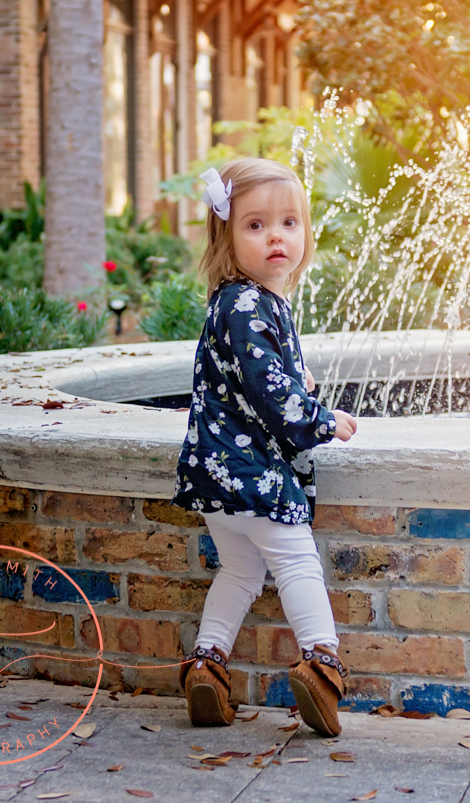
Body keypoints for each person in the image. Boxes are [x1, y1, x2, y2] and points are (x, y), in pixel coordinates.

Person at [172, 157, 359, 735]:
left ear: (305, 232)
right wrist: (325, 421)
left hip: (213, 474)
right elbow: (271, 393)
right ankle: (322, 667)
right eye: (255, 225)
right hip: (250, 473)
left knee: (239, 572)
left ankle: (207, 666)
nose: (276, 235)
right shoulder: (247, 306)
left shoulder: (243, 302)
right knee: (299, 561)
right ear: (225, 235)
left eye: (288, 223)